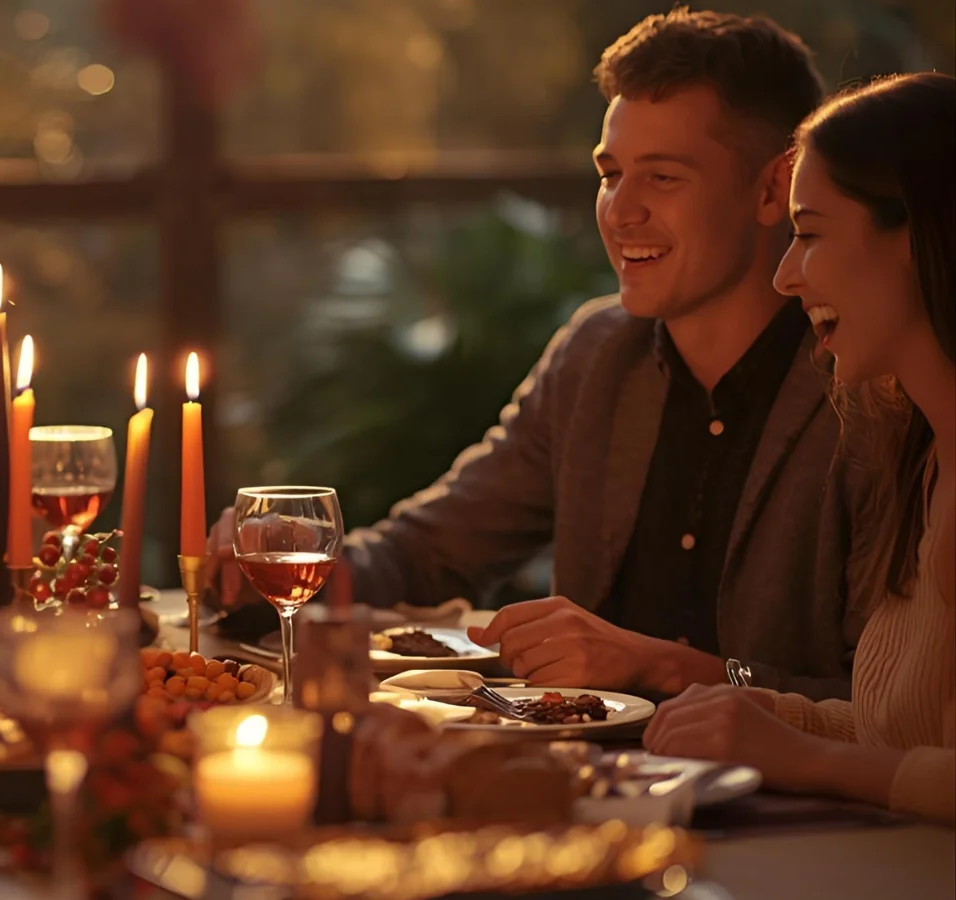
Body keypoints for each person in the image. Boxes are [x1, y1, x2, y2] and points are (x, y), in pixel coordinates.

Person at [208, 9, 866, 700]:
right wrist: (283, 564)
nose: (620, 211)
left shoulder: (864, 383)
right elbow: (427, 555)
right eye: (611, 174)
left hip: (797, 803)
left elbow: (878, 700)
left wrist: (676, 670)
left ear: (774, 188)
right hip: (587, 783)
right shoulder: (597, 355)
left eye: (663, 178)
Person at [645, 73, 954, 824]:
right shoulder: (926, 457)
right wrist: (766, 712)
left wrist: (805, 755)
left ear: (914, 234)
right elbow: (906, 738)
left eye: (809, 235)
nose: (786, 275)